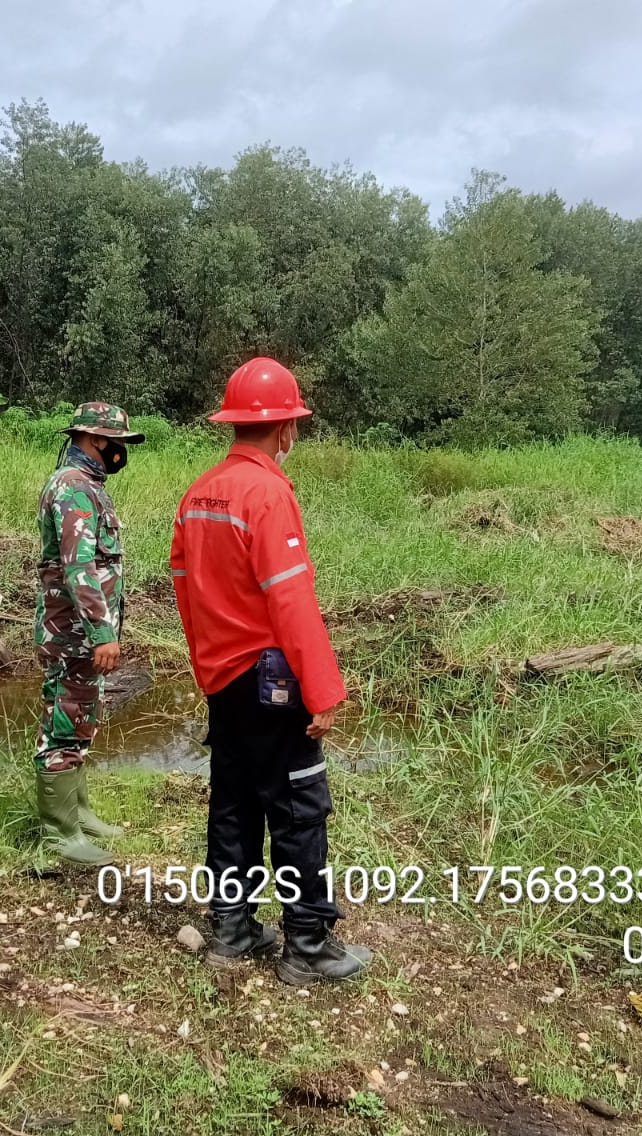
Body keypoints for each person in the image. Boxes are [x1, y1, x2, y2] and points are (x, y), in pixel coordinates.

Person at [169, 357, 373, 984]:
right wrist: (322, 689)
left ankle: (233, 927)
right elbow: (291, 599)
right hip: (270, 681)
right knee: (296, 805)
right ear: (286, 428)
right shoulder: (268, 493)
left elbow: (184, 586)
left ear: (233, 423)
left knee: (233, 801)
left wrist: (208, 664)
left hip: (225, 679)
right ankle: (308, 943)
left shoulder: (199, 492)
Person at [33, 402, 143, 866]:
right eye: (117, 443)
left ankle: (78, 812)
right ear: (97, 440)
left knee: (78, 716)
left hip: (79, 632)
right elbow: (80, 567)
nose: (120, 452)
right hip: (75, 632)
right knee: (66, 720)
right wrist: (102, 632)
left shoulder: (84, 485)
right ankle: (59, 836)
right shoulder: (74, 488)